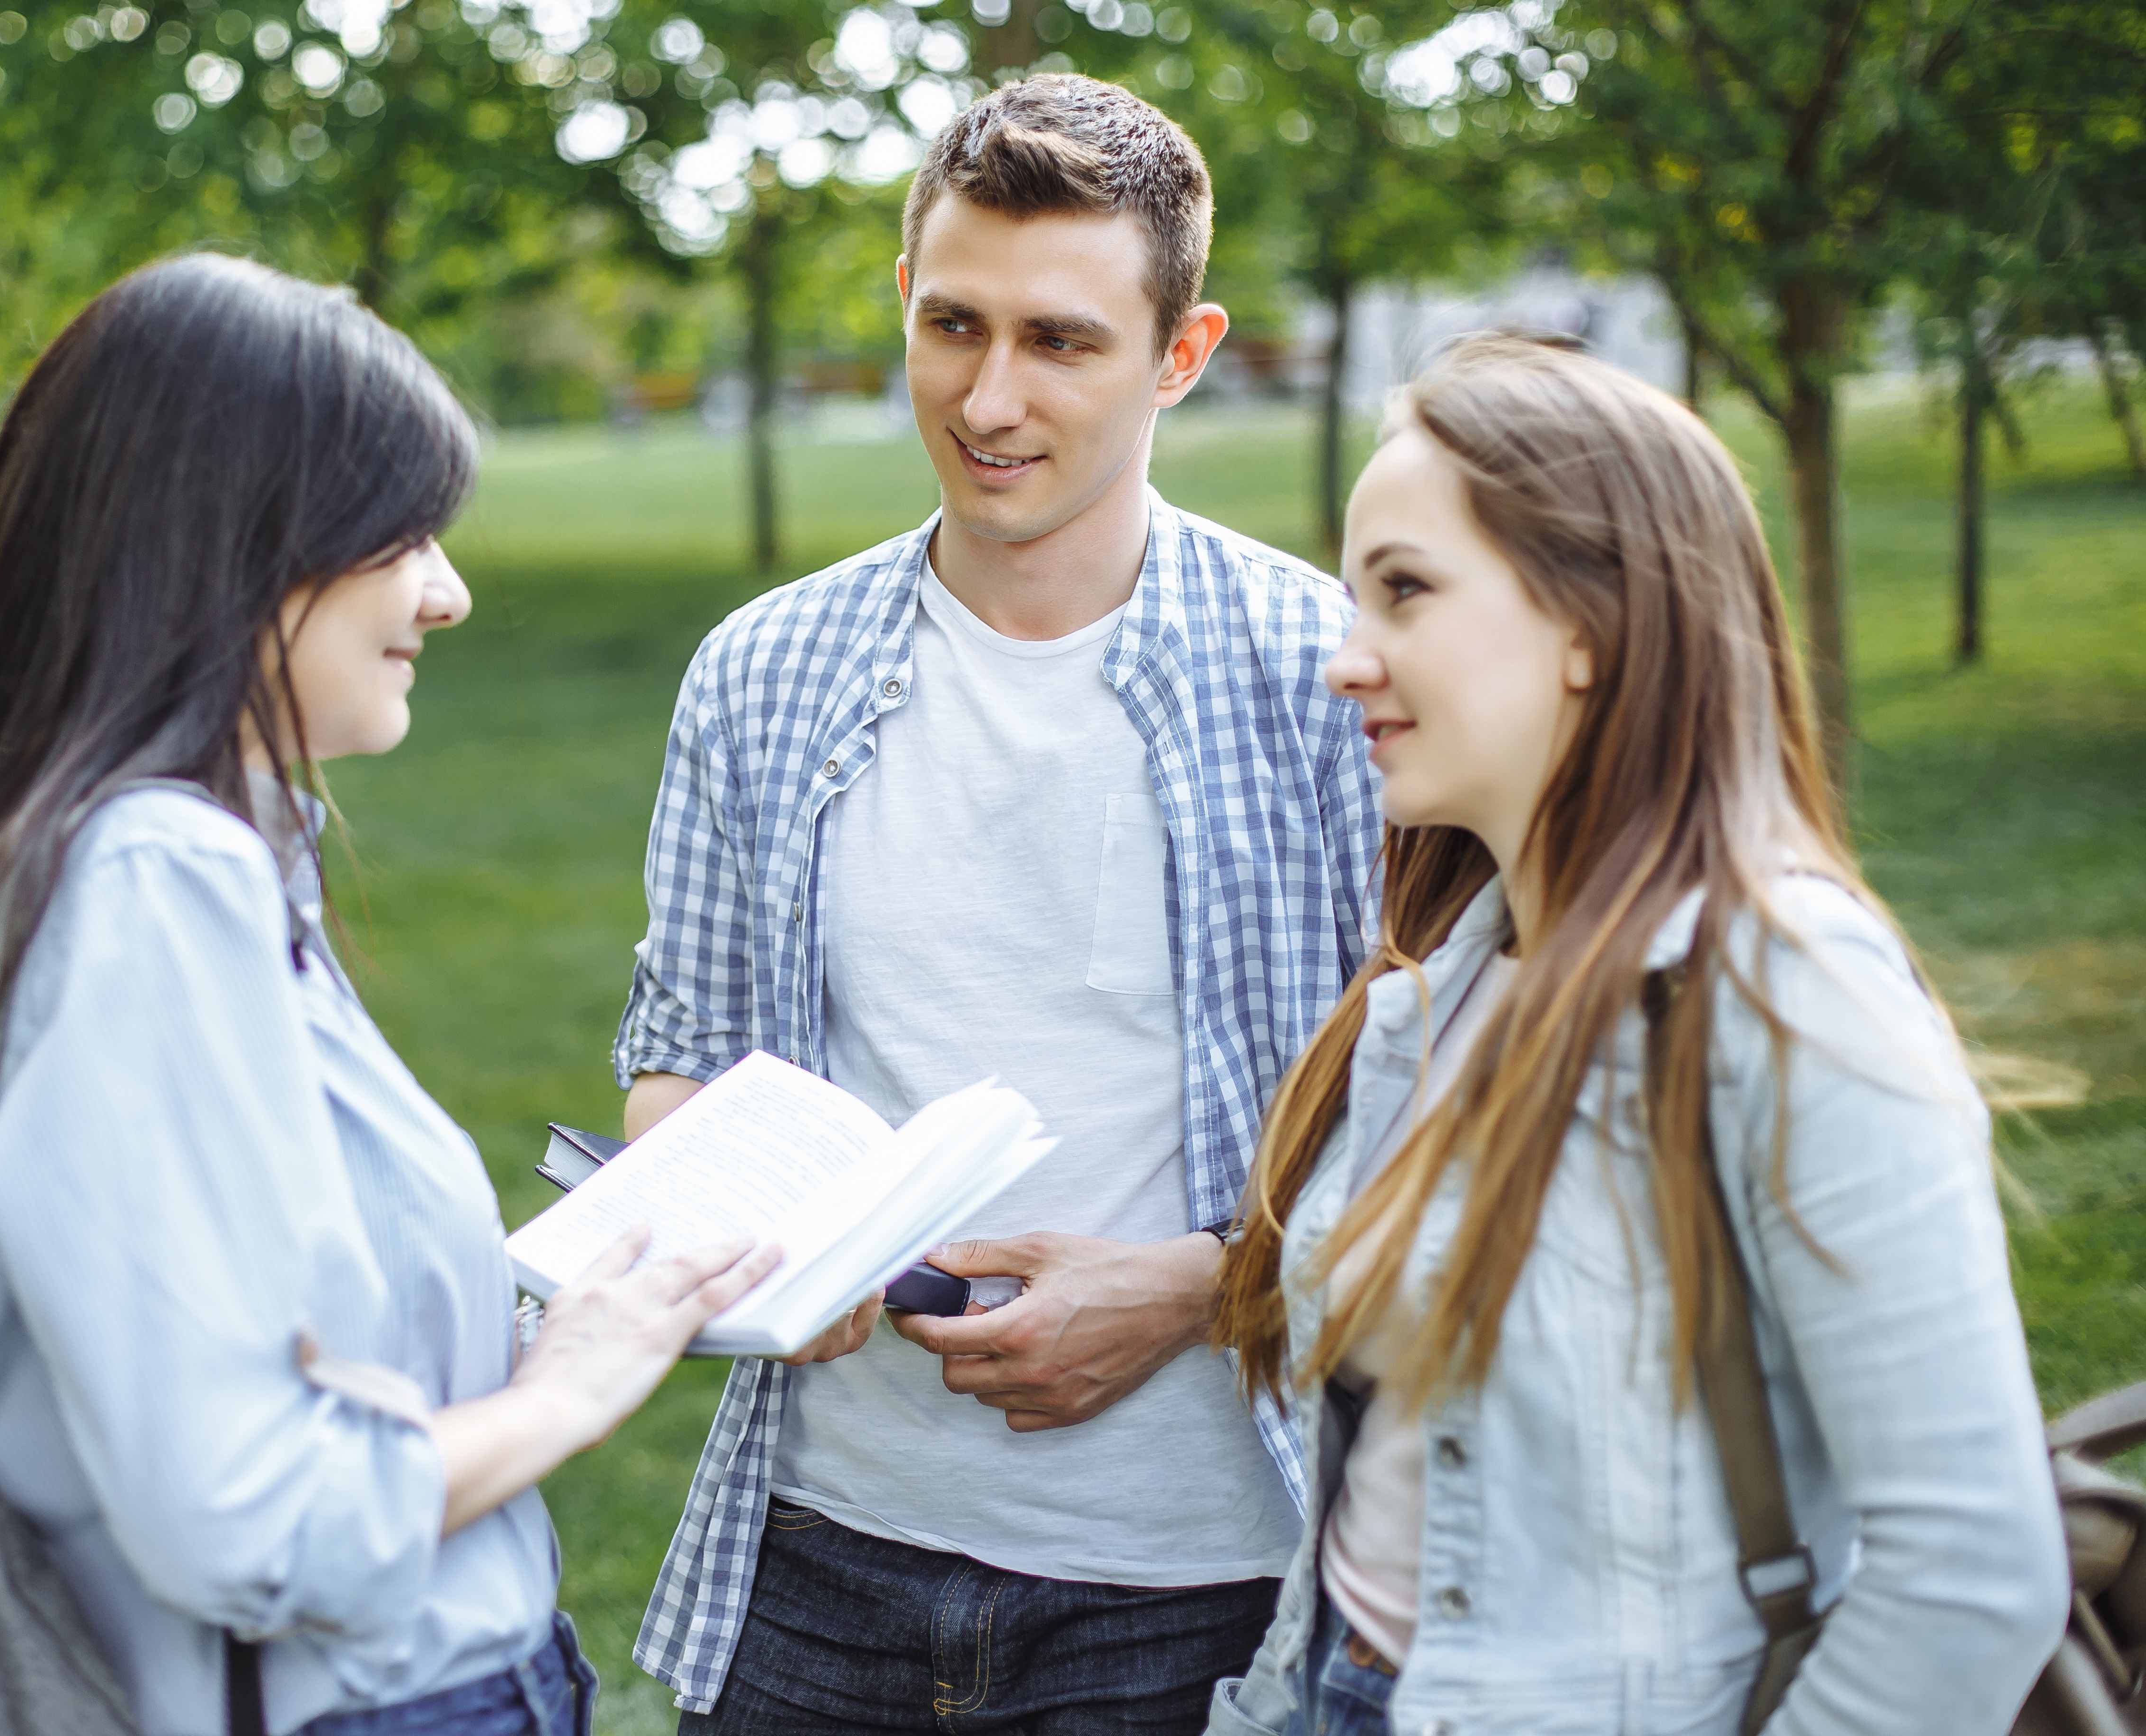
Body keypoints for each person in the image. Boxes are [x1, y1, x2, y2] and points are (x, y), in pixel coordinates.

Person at [0, 254, 778, 1736]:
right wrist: (566, 1397)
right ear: (237, 542)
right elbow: (247, 1515)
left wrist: (535, 1340)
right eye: (403, 535)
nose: (449, 593)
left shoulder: (211, 862)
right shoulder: (158, 887)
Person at [613, 76, 1381, 1731]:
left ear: (1182, 355)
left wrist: (1198, 1291)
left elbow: (1454, 1118)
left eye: (1062, 341)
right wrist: (740, 1257)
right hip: (818, 1556)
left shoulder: (1331, 680)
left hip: (1195, 1579)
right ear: (905, 301)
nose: (988, 395)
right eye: (952, 324)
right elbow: (682, 1057)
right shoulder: (758, 673)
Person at [1206, 335, 2067, 1736]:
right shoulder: (1447, 983)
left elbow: (1972, 1579)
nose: (1344, 662)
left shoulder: (1780, 988)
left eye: (1406, 593)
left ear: (1591, 623)